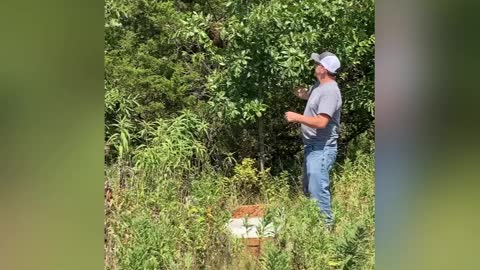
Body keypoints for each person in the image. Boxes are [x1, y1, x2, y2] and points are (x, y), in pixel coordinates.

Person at [285, 51, 342, 229]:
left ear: (323, 69)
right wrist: (288, 80)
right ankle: (315, 227)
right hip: (313, 147)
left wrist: (297, 117)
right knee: (309, 189)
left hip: (322, 149)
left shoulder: (330, 91)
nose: (315, 66)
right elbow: (306, 94)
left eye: (317, 64)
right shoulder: (319, 86)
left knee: (318, 191)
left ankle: (326, 230)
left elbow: (322, 122)